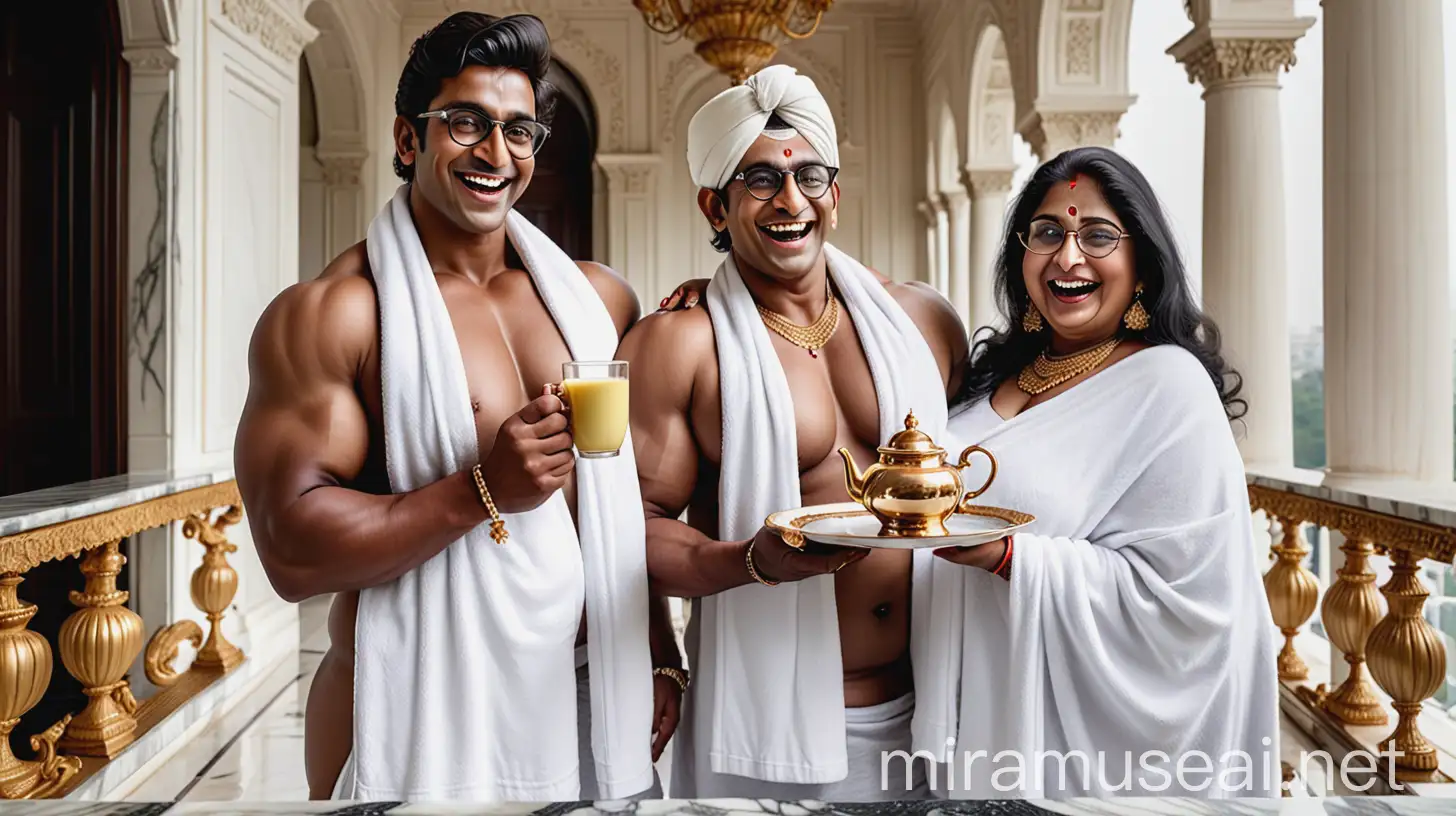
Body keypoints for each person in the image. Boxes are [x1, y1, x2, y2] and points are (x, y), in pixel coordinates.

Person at [235, 12, 680, 802]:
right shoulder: (336, 314)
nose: (495, 153)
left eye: (518, 131)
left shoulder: (598, 300)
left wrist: (655, 646)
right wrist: (483, 489)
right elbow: (289, 551)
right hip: (420, 702)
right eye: (466, 123)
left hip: (588, 692)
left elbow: (619, 508)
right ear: (409, 141)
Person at [618, 64, 967, 801]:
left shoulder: (920, 321)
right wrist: (750, 562)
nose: (790, 200)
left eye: (810, 176)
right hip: (761, 713)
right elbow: (631, 528)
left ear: (834, 196)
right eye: (759, 182)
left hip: (936, 704)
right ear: (715, 206)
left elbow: (1004, 444)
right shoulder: (680, 345)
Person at [918, 146, 1279, 798]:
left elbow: (1196, 611)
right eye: (1048, 232)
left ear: (1141, 262)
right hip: (958, 707)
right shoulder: (991, 377)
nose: (1068, 256)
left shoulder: (1167, 387)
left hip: (1072, 756)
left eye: (1098, 235)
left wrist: (1009, 558)